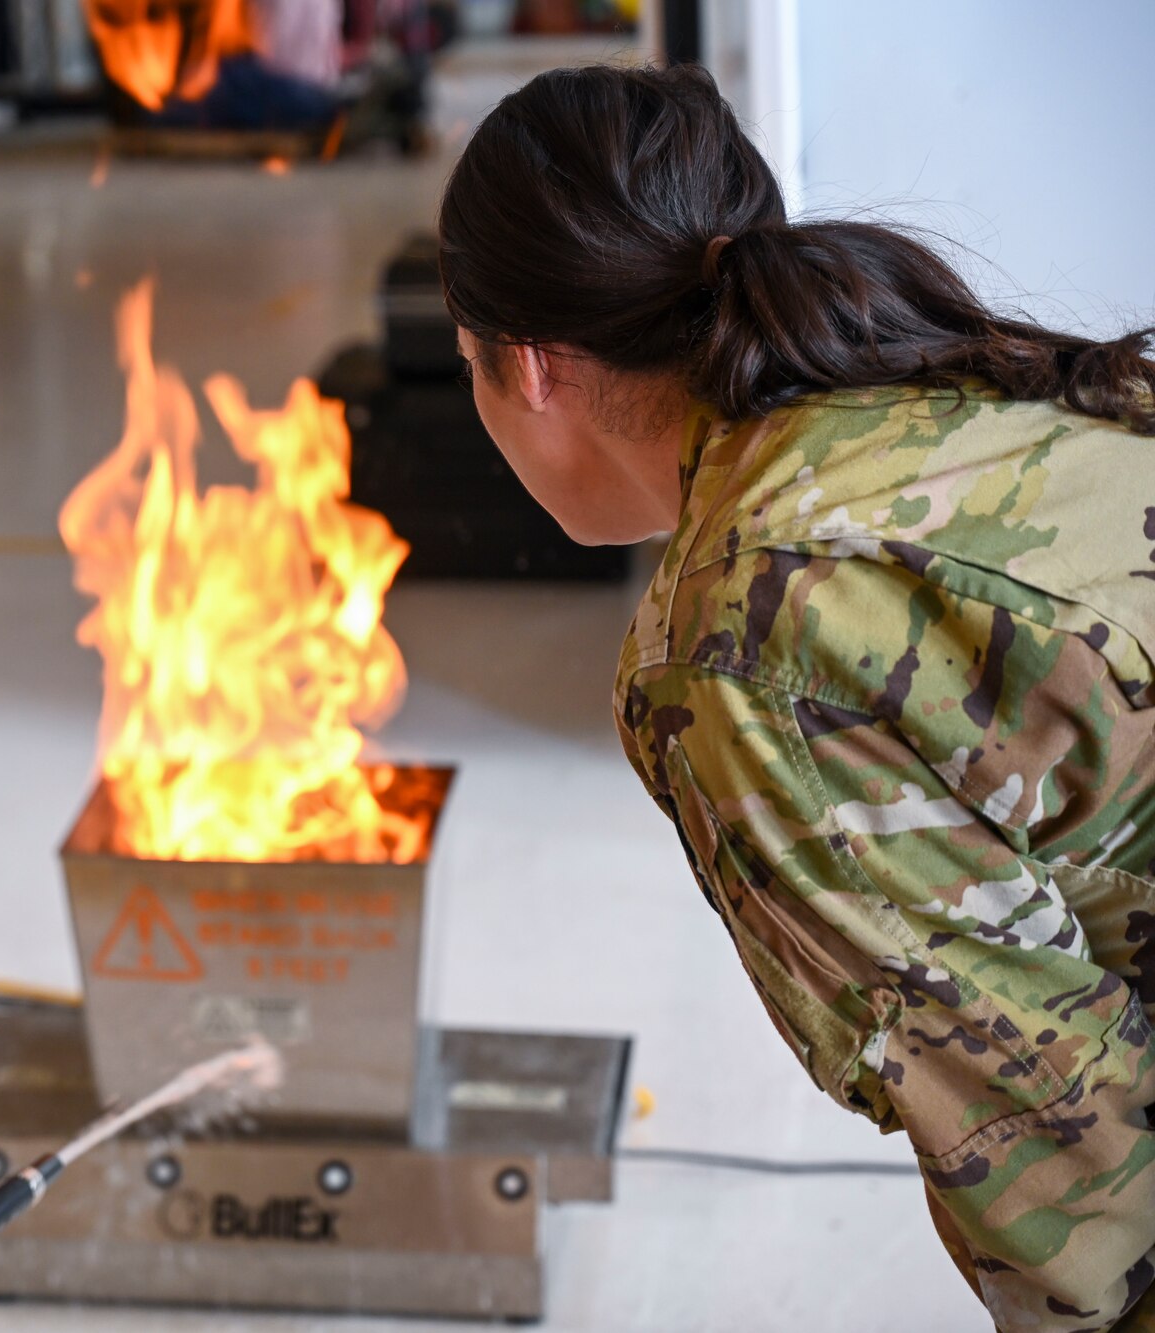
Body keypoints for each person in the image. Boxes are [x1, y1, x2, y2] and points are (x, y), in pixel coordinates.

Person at [438, 64, 1155, 1331]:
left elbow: (1075, 1173)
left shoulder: (734, 648)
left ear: (533, 369)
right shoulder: (927, 374)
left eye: (469, 366)